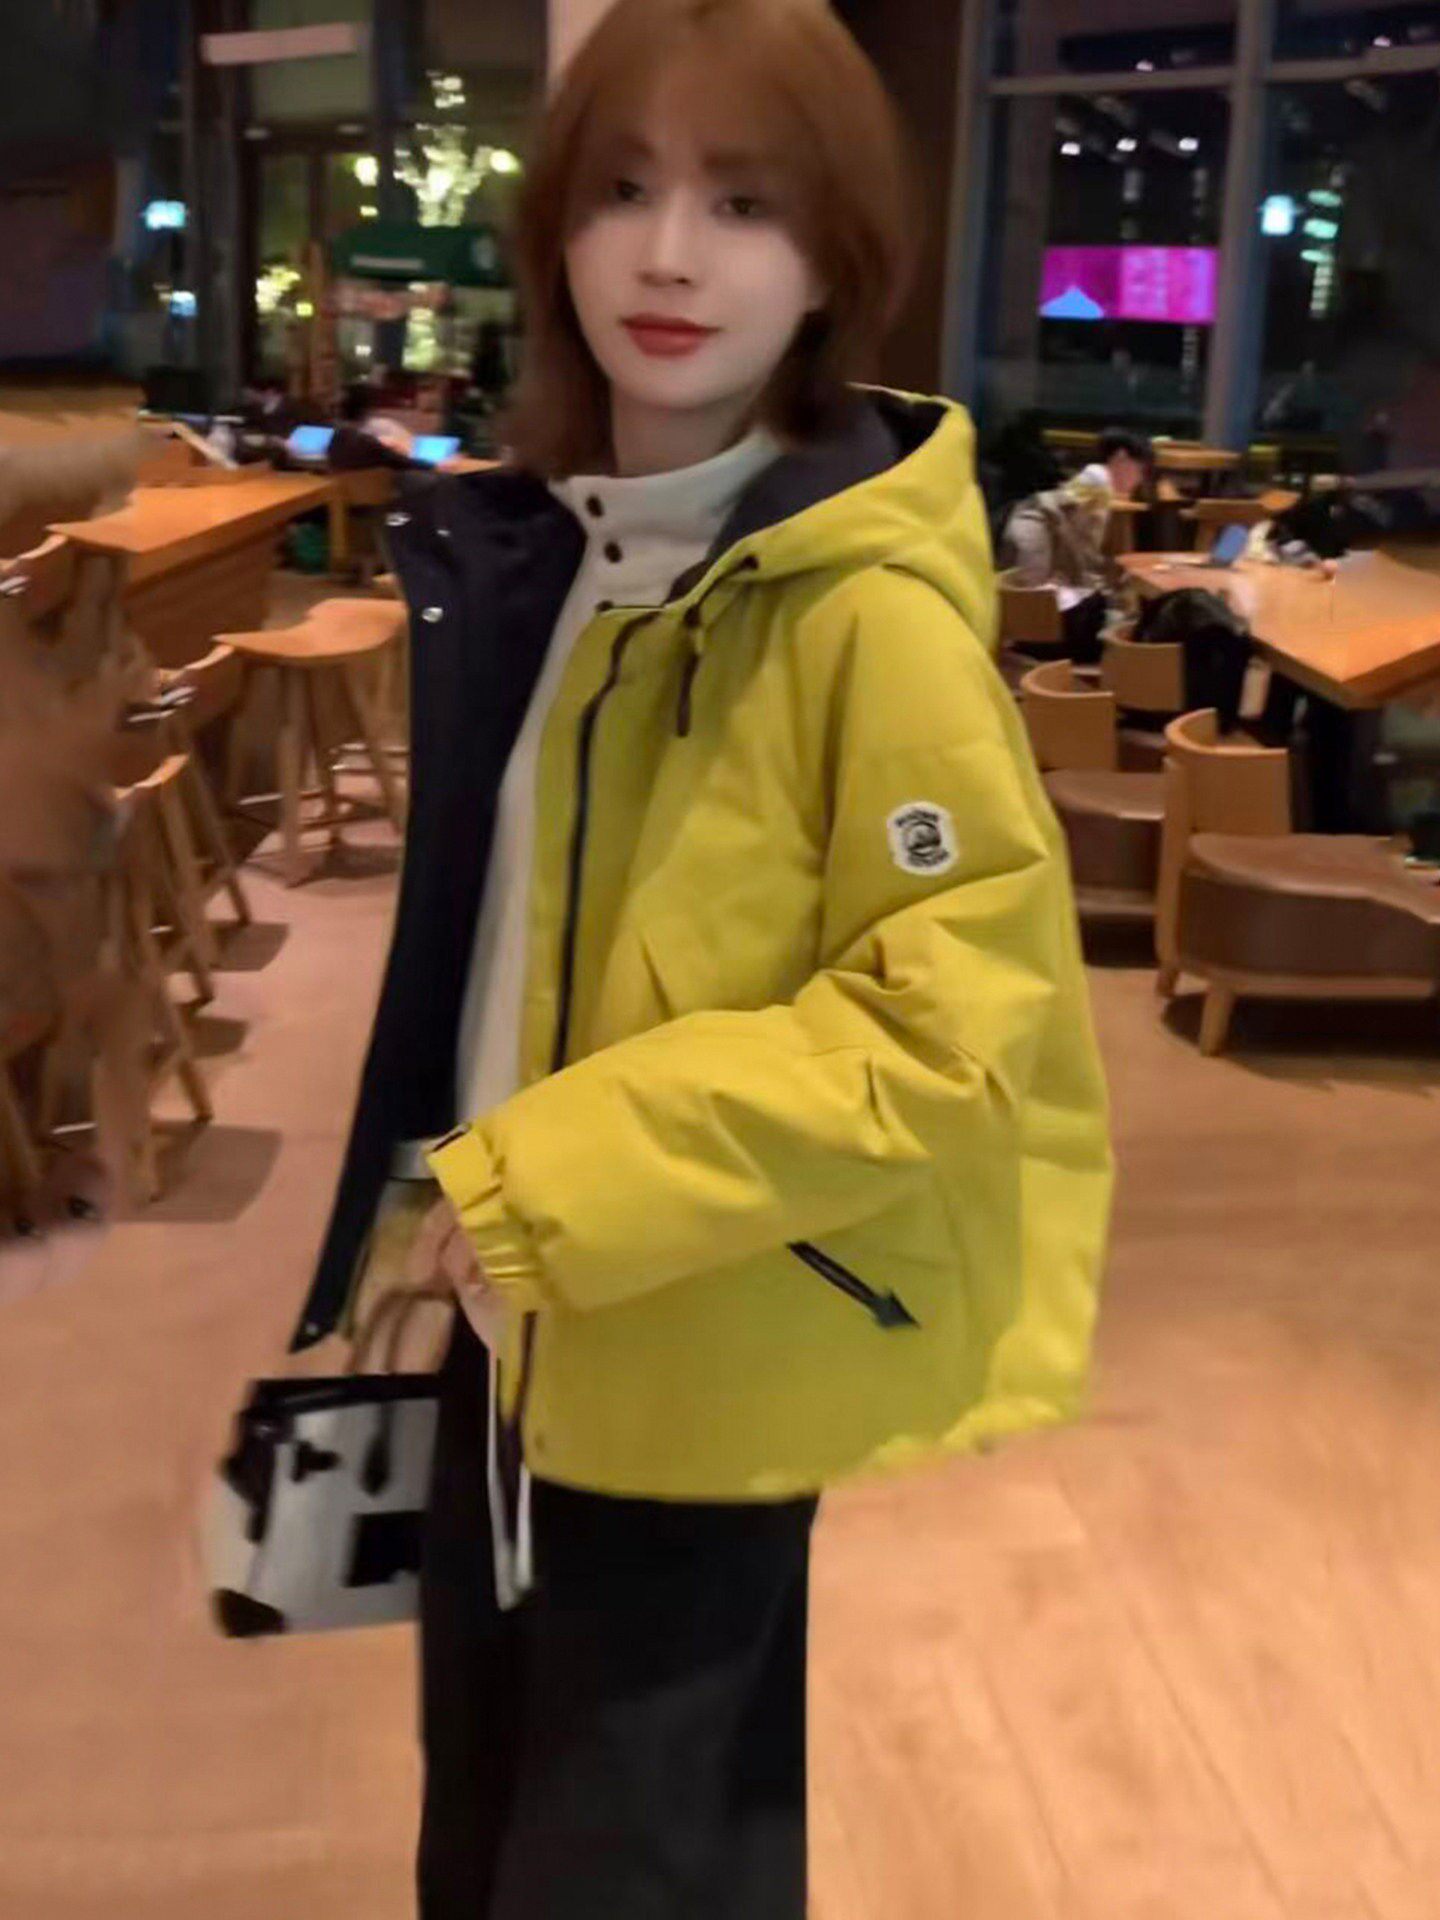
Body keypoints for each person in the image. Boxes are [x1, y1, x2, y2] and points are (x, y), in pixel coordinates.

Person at [288, 2, 1112, 1915]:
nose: (668, 256)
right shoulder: (556, 556)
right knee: (483, 1836)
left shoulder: (864, 616)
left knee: (628, 1870)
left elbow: (950, 1032)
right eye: (625, 190)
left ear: (834, 261)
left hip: (696, 1342)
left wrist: (548, 1185)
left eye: (745, 204)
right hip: (507, 1330)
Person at [999, 425, 1152, 660]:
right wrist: (1104, 588)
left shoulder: (1090, 477)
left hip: (1027, 571)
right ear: (1121, 457)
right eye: (1140, 470)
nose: (1139, 479)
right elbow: (1082, 546)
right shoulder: (1100, 484)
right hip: (1040, 594)